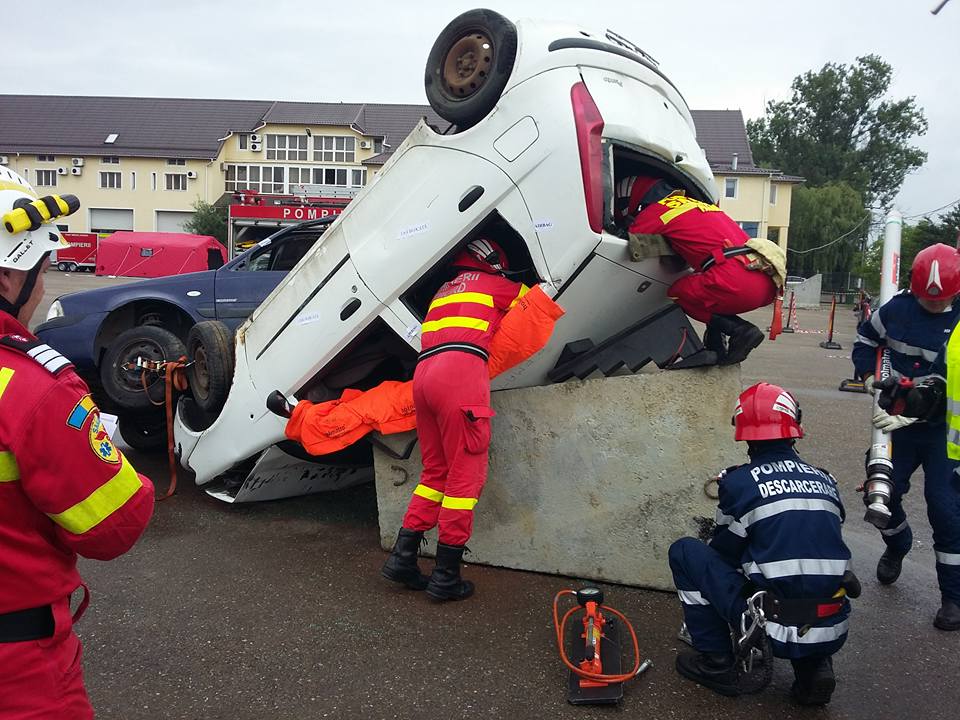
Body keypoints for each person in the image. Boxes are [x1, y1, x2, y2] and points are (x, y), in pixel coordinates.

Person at [0, 168, 155, 718]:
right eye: (43, 269)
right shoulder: (33, 391)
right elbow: (113, 528)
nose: (45, 286)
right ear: (8, 280)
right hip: (18, 669)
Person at [669, 382, 852, 705]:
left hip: (773, 629)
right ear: (794, 425)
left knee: (686, 553)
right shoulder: (825, 480)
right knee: (803, 565)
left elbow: (723, 552)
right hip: (833, 625)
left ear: (744, 432)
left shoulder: (739, 483)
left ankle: (717, 663)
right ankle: (813, 667)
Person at [381, 239, 528, 601]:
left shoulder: (442, 291)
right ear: (492, 261)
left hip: (424, 376)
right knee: (465, 476)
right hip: (460, 374)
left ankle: (403, 557)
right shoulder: (496, 285)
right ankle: (446, 575)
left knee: (435, 474)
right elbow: (535, 302)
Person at [851, 243, 960, 617]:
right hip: (897, 423)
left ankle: (953, 597)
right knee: (879, 492)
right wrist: (868, 377)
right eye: (927, 299)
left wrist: (920, 407)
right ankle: (897, 544)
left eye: (941, 300)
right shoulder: (896, 308)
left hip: (945, 432)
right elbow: (867, 339)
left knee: (946, 510)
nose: (933, 305)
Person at [616, 176, 784, 365]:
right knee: (706, 294)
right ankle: (716, 346)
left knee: (678, 293)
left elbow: (627, 240)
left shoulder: (657, 211)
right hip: (766, 282)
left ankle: (740, 330)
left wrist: (627, 223)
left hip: (736, 280)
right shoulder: (699, 205)